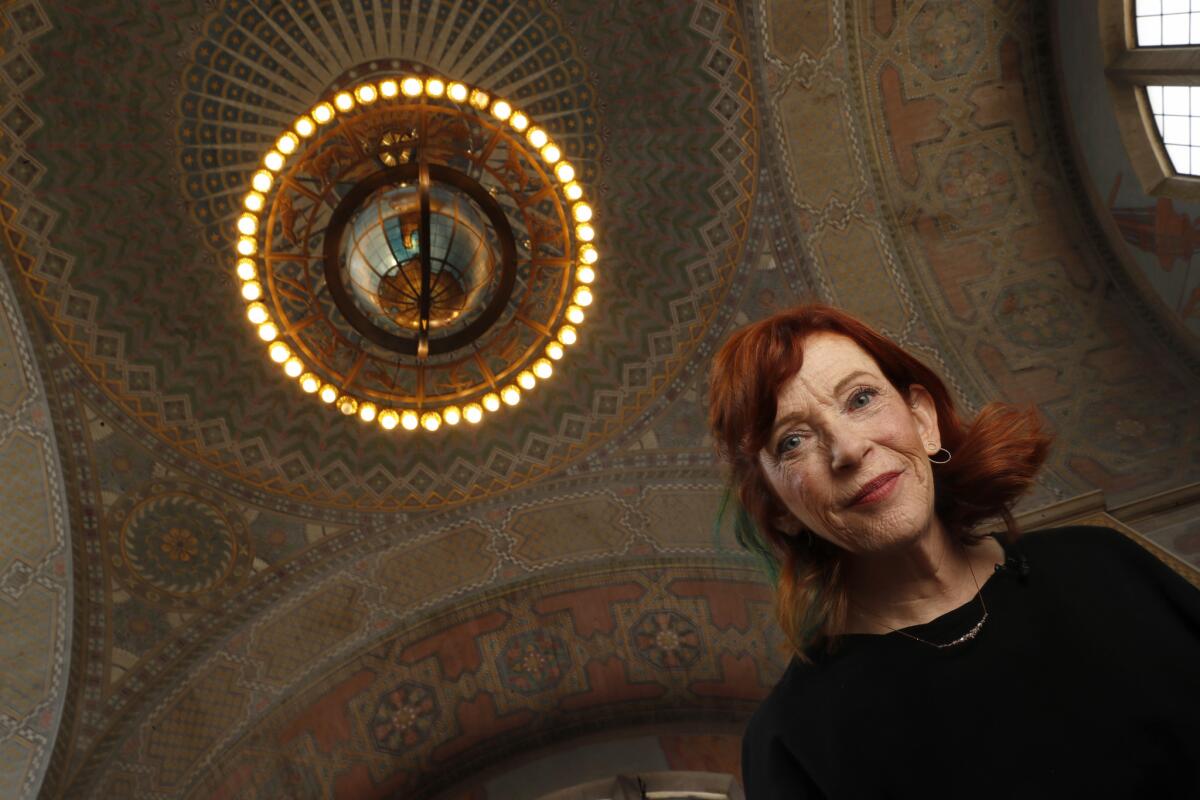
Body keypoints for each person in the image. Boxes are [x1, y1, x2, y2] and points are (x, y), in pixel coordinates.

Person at [707, 304, 1200, 799]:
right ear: (779, 508)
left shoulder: (1103, 566)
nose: (849, 448)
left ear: (923, 421)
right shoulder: (790, 742)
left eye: (861, 398)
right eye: (792, 440)